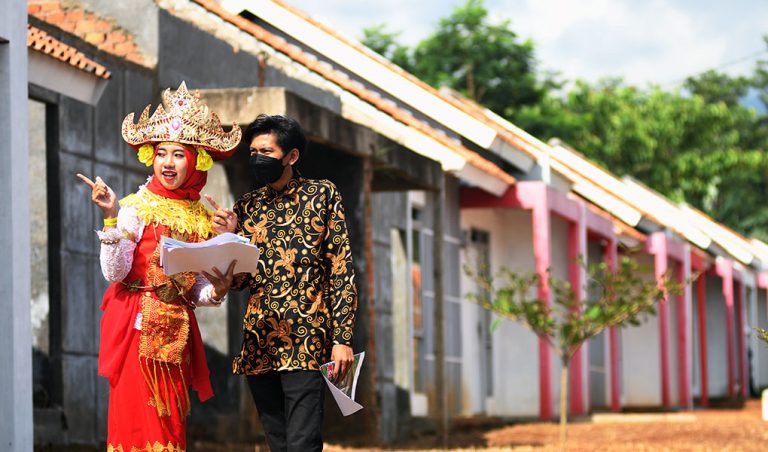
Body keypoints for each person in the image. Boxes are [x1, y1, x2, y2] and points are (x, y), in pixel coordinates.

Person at [78, 81, 241, 451]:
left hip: (175, 334)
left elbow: (196, 289)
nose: (168, 163)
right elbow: (114, 273)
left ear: (196, 161)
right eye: (161, 153)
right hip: (135, 328)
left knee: (170, 430)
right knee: (136, 428)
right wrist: (110, 217)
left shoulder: (204, 218)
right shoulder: (136, 207)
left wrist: (218, 288)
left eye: (178, 154)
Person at [209, 114, 358, 451]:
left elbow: (340, 269)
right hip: (259, 343)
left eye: (266, 151)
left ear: (291, 156)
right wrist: (228, 237)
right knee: (277, 442)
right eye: (253, 152)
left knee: (303, 442)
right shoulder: (247, 206)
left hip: (307, 341)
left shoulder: (322, 195)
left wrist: (342, 339)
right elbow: (240, 280)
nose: (257, 159)